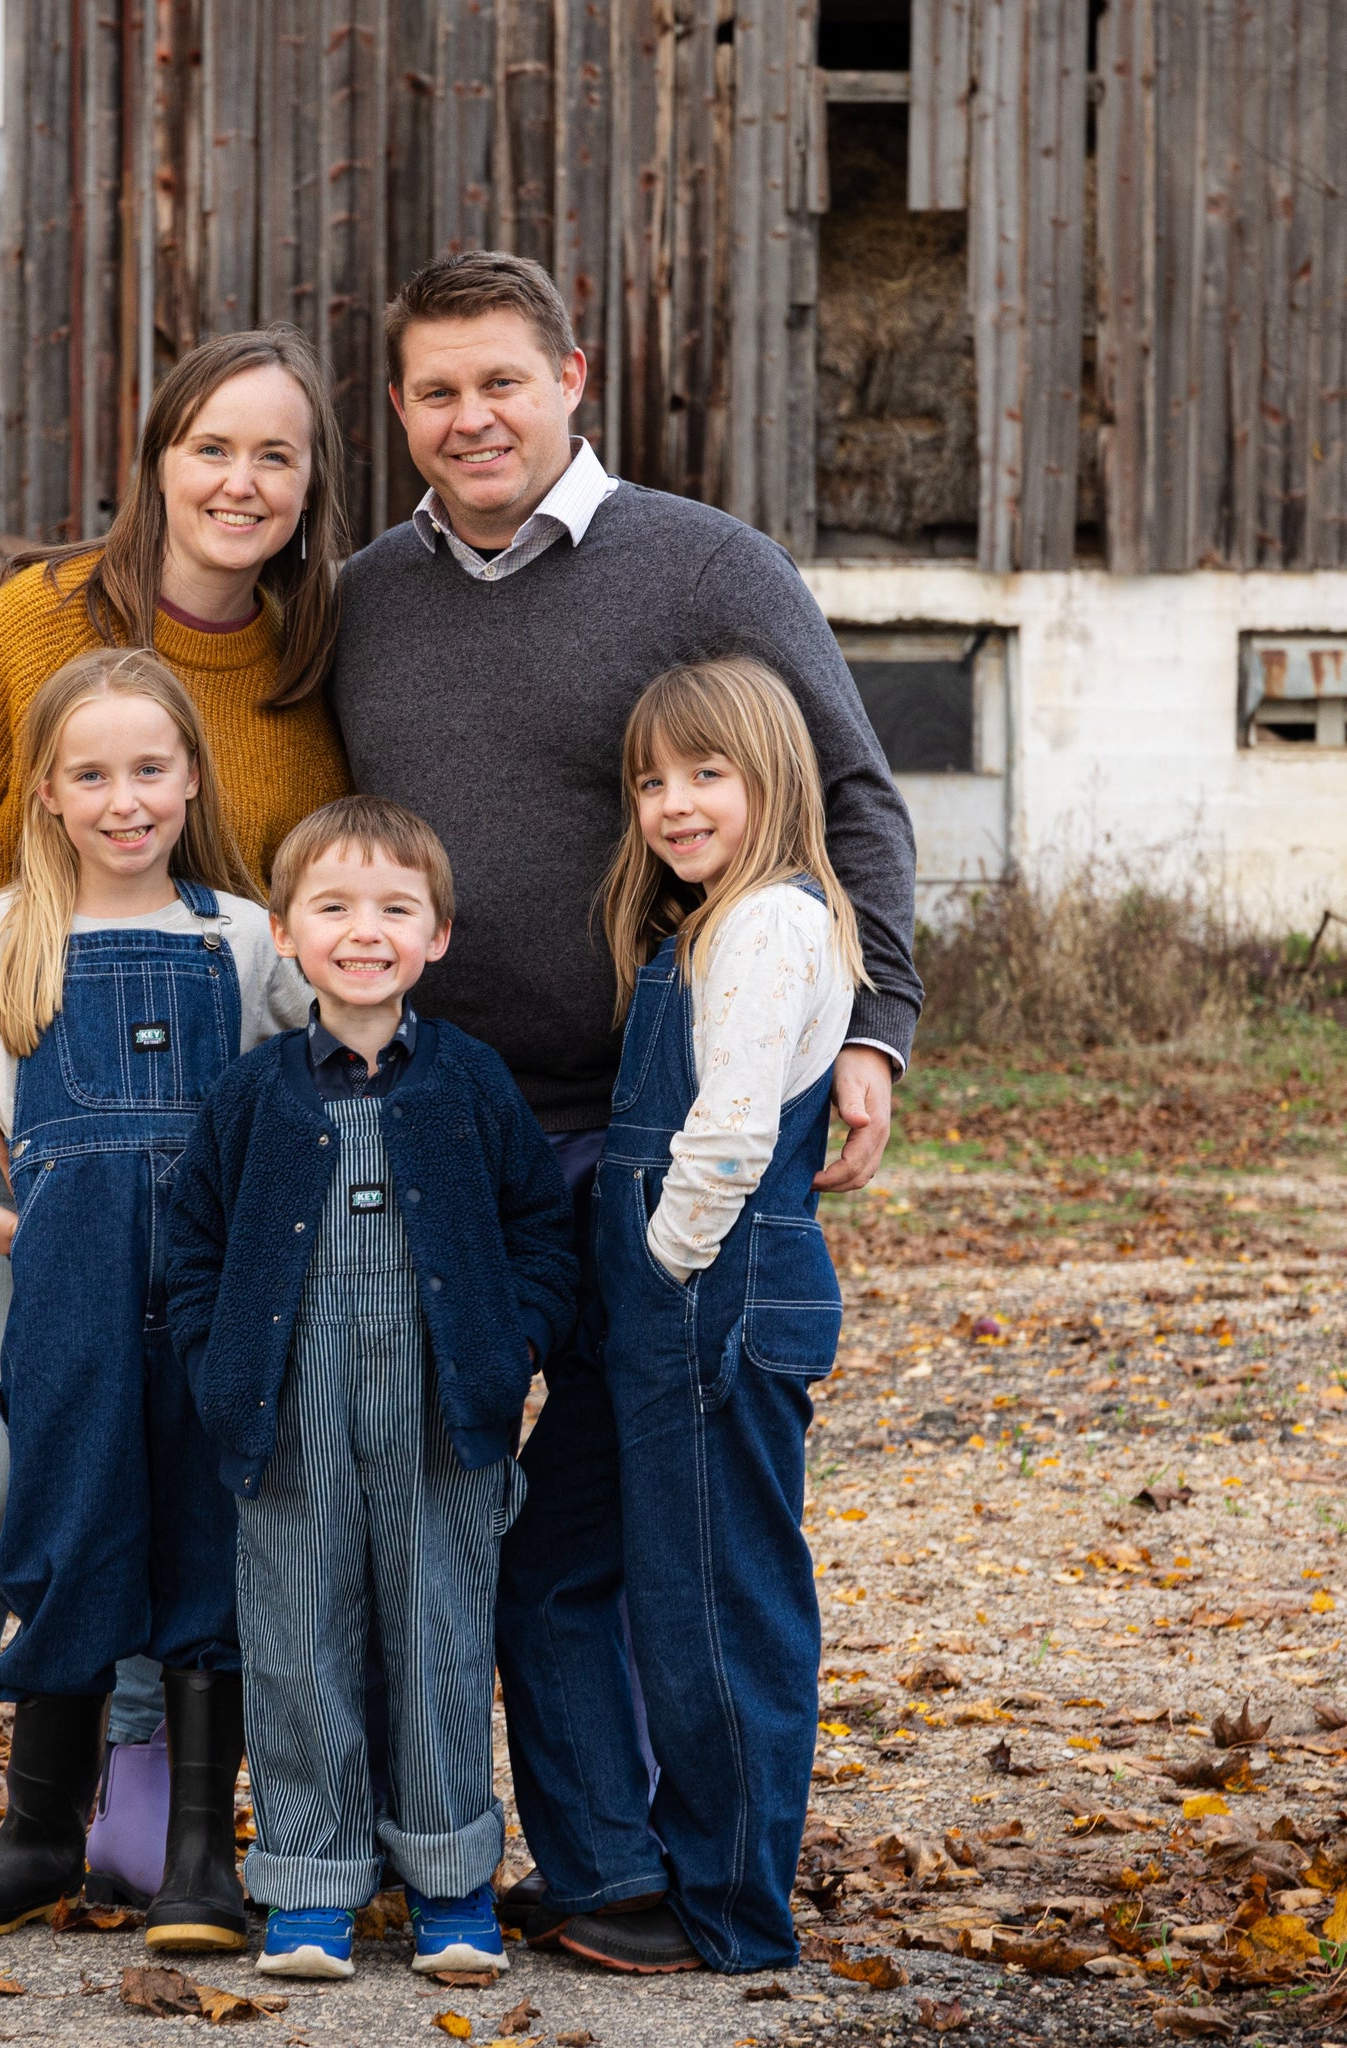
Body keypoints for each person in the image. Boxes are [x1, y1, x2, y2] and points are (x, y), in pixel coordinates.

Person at [328, 250, 923, 1971]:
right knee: (461, 1504)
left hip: (656, 1125)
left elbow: (851, 800)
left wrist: (870, 1029)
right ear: (401, 411)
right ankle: (567, 1866)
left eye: (499, 380)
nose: (469, 418)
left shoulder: (701, 565)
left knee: (666, 1519)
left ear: (570, 376)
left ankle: (698, 1872)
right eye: (435, 390)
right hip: (443, 1124)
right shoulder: (368, 595)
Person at [0, 328, 354, 1918]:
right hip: (30, 1147)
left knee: (184, 1468)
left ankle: (156, 1811)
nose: (241, 483)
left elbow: (310, 967)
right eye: (212, 447)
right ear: (157, 461)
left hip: (203, 1189)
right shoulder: (36, 627)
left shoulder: (305, 663)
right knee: (8, 1472)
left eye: (276, 455)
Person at [165, 796, 578, 1981]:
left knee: (443, 1639)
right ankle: (309, 1888)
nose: (363, 930)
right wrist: (216, 1361)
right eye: (332, 906)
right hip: (285, 1416)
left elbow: (538, 1233)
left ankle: (450, 1885)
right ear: (286, 934)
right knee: (297, 1646)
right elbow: (193, 1249)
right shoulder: (251, 1095)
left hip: (444, 1413)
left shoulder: (467, 1081)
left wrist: (511, 1347)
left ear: (435, 936)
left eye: (394, 907)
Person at [592, 657, 864, 1970]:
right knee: (687, 1591)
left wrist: (660, 1264)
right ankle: (679, 1870)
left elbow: (733, 1129)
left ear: (774, 781)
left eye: (707, 774)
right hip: (706, 1287)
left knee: (715, 1604)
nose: (674, 803)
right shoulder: (710, 923)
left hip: (717, 1287)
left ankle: (733, 1909)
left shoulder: (765, 926)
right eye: (652, 780)